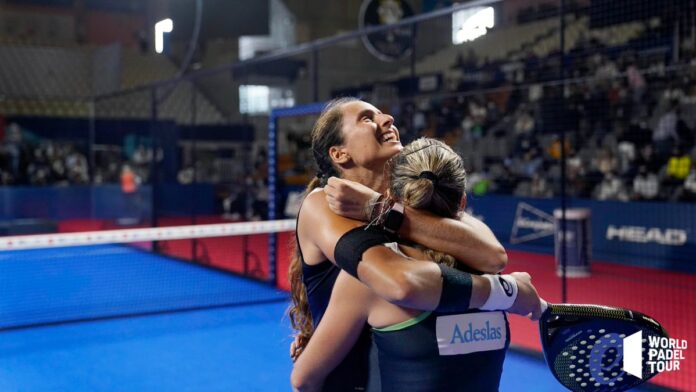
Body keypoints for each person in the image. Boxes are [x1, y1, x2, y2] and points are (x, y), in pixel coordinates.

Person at [288, 98, 543, 391]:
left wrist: (379, 207)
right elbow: (396, 280)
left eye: (382, 113)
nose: (387, 119)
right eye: (367, 118)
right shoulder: (321, 203)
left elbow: (493, 256)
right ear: (340, 153)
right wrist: (507, 293)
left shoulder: (400, 204)